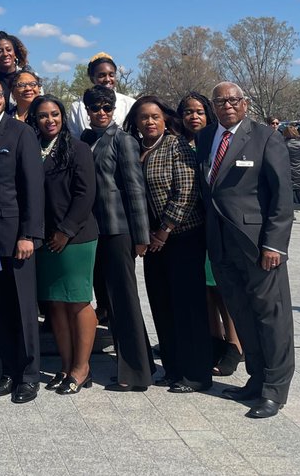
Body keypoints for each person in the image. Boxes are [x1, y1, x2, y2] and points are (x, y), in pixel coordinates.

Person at [197, 82, 295, 419]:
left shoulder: (265, 137)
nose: (227, 106)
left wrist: (274, 244)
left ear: (245, 103)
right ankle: (255, 378)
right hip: (221, 245)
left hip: (257, 245)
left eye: (233, 100)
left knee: (271, 317)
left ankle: (274, 389)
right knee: (242, 314)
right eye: (220, 101)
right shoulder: (205, 137)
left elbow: (282, 198)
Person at [125, 95, 211, 393]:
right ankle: (173, 368)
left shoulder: (176, 146)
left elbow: (186, 190)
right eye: (143, 117)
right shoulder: (135, 149)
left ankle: (196, 373)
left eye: (155, 117)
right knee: (162, 305)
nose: (149, 122)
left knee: (188, 306)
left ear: (165, 119)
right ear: (135, 121)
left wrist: (164, 230)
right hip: (151, 243)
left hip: (182, 237)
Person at [0, 76, 44, 403]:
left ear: (5, 97)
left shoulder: (21, 132)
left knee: (23, 307)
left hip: (14, 234)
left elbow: (32, 187)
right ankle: (6, 369)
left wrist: (28, 234)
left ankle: (29, 375)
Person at [81, 84, 152, 391]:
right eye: (95, 108)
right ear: (87, 111)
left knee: (124, 299)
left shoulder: (123, 140)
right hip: (89, 230)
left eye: (106, 108)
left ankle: (135, 372)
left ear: (114, 110)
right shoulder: (82, 139)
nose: (101, 113)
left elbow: (135, 190)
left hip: (118, 229)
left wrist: (141, 236)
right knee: (105, 301)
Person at [30, 95, 98, 396]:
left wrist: (66, 231)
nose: (50, 120)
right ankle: (66, 364)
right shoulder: (32, 148)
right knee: (55, 303)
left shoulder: (78, 148)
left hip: (75, 238)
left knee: (78, 300)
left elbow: (86, 194)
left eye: (55, 114)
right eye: (43, 115)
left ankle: (82, 368)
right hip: (44, 238)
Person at [179, 91, 242, 379]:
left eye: (199, 111)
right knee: (202, 288)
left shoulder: (215, 142)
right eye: (188, 112)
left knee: (221, 287)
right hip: (191, 227)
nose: (194, 116)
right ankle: (213, 339)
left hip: (216, 224)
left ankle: (234, 344)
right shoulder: (179, 145)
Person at [67, 53, 136, 137]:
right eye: (101, 75)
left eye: (111, 75)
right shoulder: (77, 107)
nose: (107, 79)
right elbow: (74, 139)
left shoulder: (130, 104)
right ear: (92, 78)